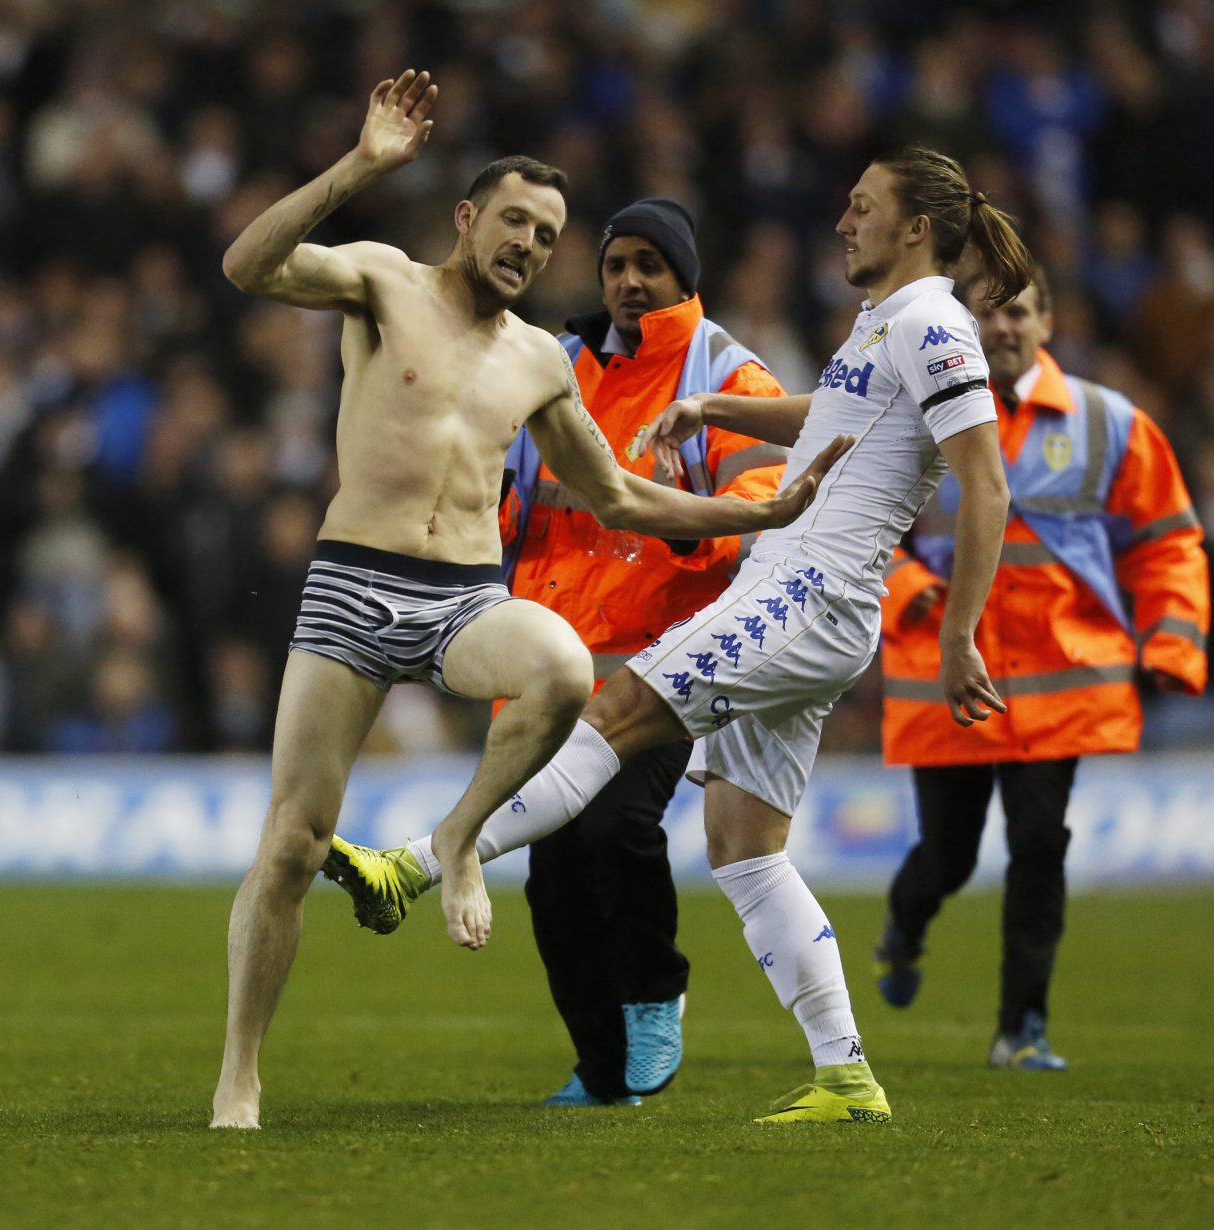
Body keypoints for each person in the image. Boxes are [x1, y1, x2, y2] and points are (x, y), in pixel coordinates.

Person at [333, 146, 1030, 1124]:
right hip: (806, 599)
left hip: (807, 591)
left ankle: (415, 862)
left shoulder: (929, 322)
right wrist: (716, 409)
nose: (840, 221)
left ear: (915, 227)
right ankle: (845, 1076)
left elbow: (984, 479)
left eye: (860, 205)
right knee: (742, 849)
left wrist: (960, 637)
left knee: (609, 722)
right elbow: (830, 417)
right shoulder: (884, 323)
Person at [207, 70, 848, 1130]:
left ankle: (453, 841)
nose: (528, 244)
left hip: (461, 596)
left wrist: (759, 519)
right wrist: (361, 165)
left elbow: (621, 497)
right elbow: (246, 265)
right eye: (512, 221)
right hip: (352, 587)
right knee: (290, 845)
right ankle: (239, 1074)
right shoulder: (382, 281)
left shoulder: (538, 364)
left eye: (546, 234)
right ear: (467, 219)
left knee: (555, 663)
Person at [329, 198, 794, 1109]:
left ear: (683, 278)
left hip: (661, 662)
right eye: (616, 263)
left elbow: (765, 498)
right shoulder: (557, 362)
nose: (627, 281)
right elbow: (506, 497)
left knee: (614, 827)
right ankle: (601, 1069)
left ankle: (655, 995)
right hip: (552, 658)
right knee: (553, 878)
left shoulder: (724, 372)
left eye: (648, 266)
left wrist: (689, 531)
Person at [873, 267, 1209, 1069]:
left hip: (1060, 686)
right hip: (949, 682)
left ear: (1048, 322)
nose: (1004, 329)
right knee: (947, 859)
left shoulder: (1108, 423)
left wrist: (1172, 642)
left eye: (1019, 312)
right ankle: (905, 927)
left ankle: (1020, 1028)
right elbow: (856, 527)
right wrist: (915, 594)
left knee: (1038, 846)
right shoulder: (912, 418)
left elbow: (1168, 539)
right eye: (986, 316)